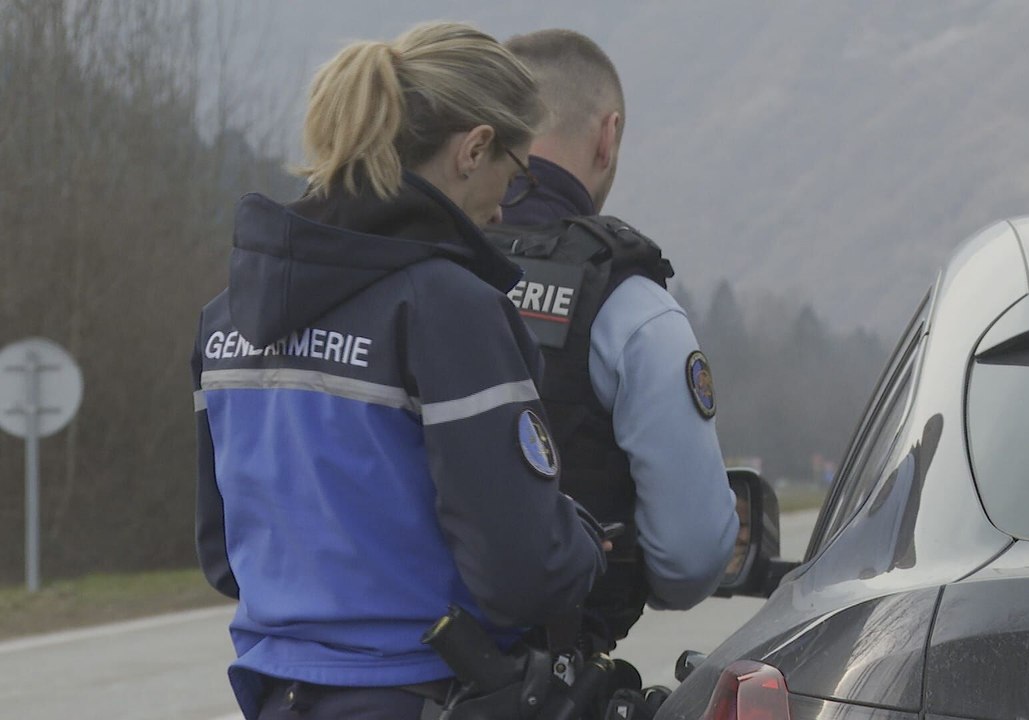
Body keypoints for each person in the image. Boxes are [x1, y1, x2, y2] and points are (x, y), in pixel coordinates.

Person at [191, 22, 607, 720]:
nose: (506, 203)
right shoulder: (450, 310)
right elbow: (522, 570)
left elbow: (223, 555)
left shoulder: (225, 319)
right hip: (423, 692)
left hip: (277, 694)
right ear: (474, 148)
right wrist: (588, 546)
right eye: (516, 168)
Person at [495, 29, 739, 648]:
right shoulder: (632, 311)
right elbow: (689, 561)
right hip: (544, 679)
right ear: (607, 136)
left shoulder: (408, 266)